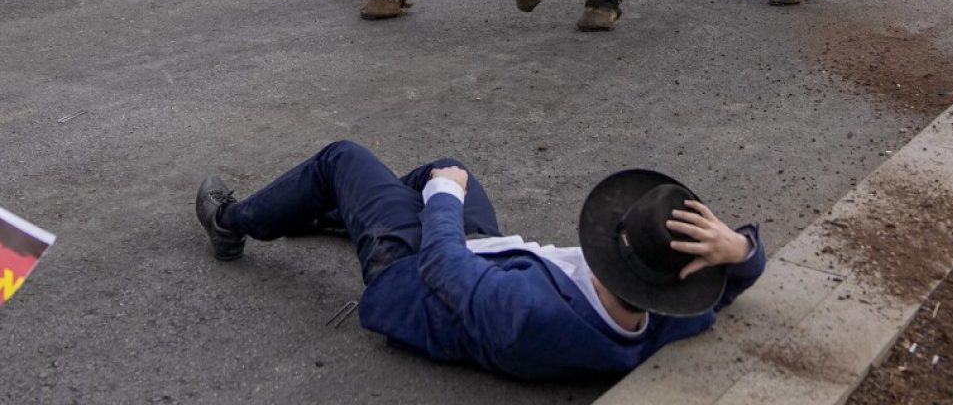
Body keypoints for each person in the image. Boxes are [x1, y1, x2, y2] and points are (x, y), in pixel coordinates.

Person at [195, 140, 765, 381]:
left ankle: (231, 223)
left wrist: (444, 196)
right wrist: (738, 250)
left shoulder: (532, 314)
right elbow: (732, 287)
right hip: (486, 257)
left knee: (347, 159)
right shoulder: (664, 313)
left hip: (414, 275)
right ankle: (347, 211)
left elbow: (444, 268)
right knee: (446, 164)